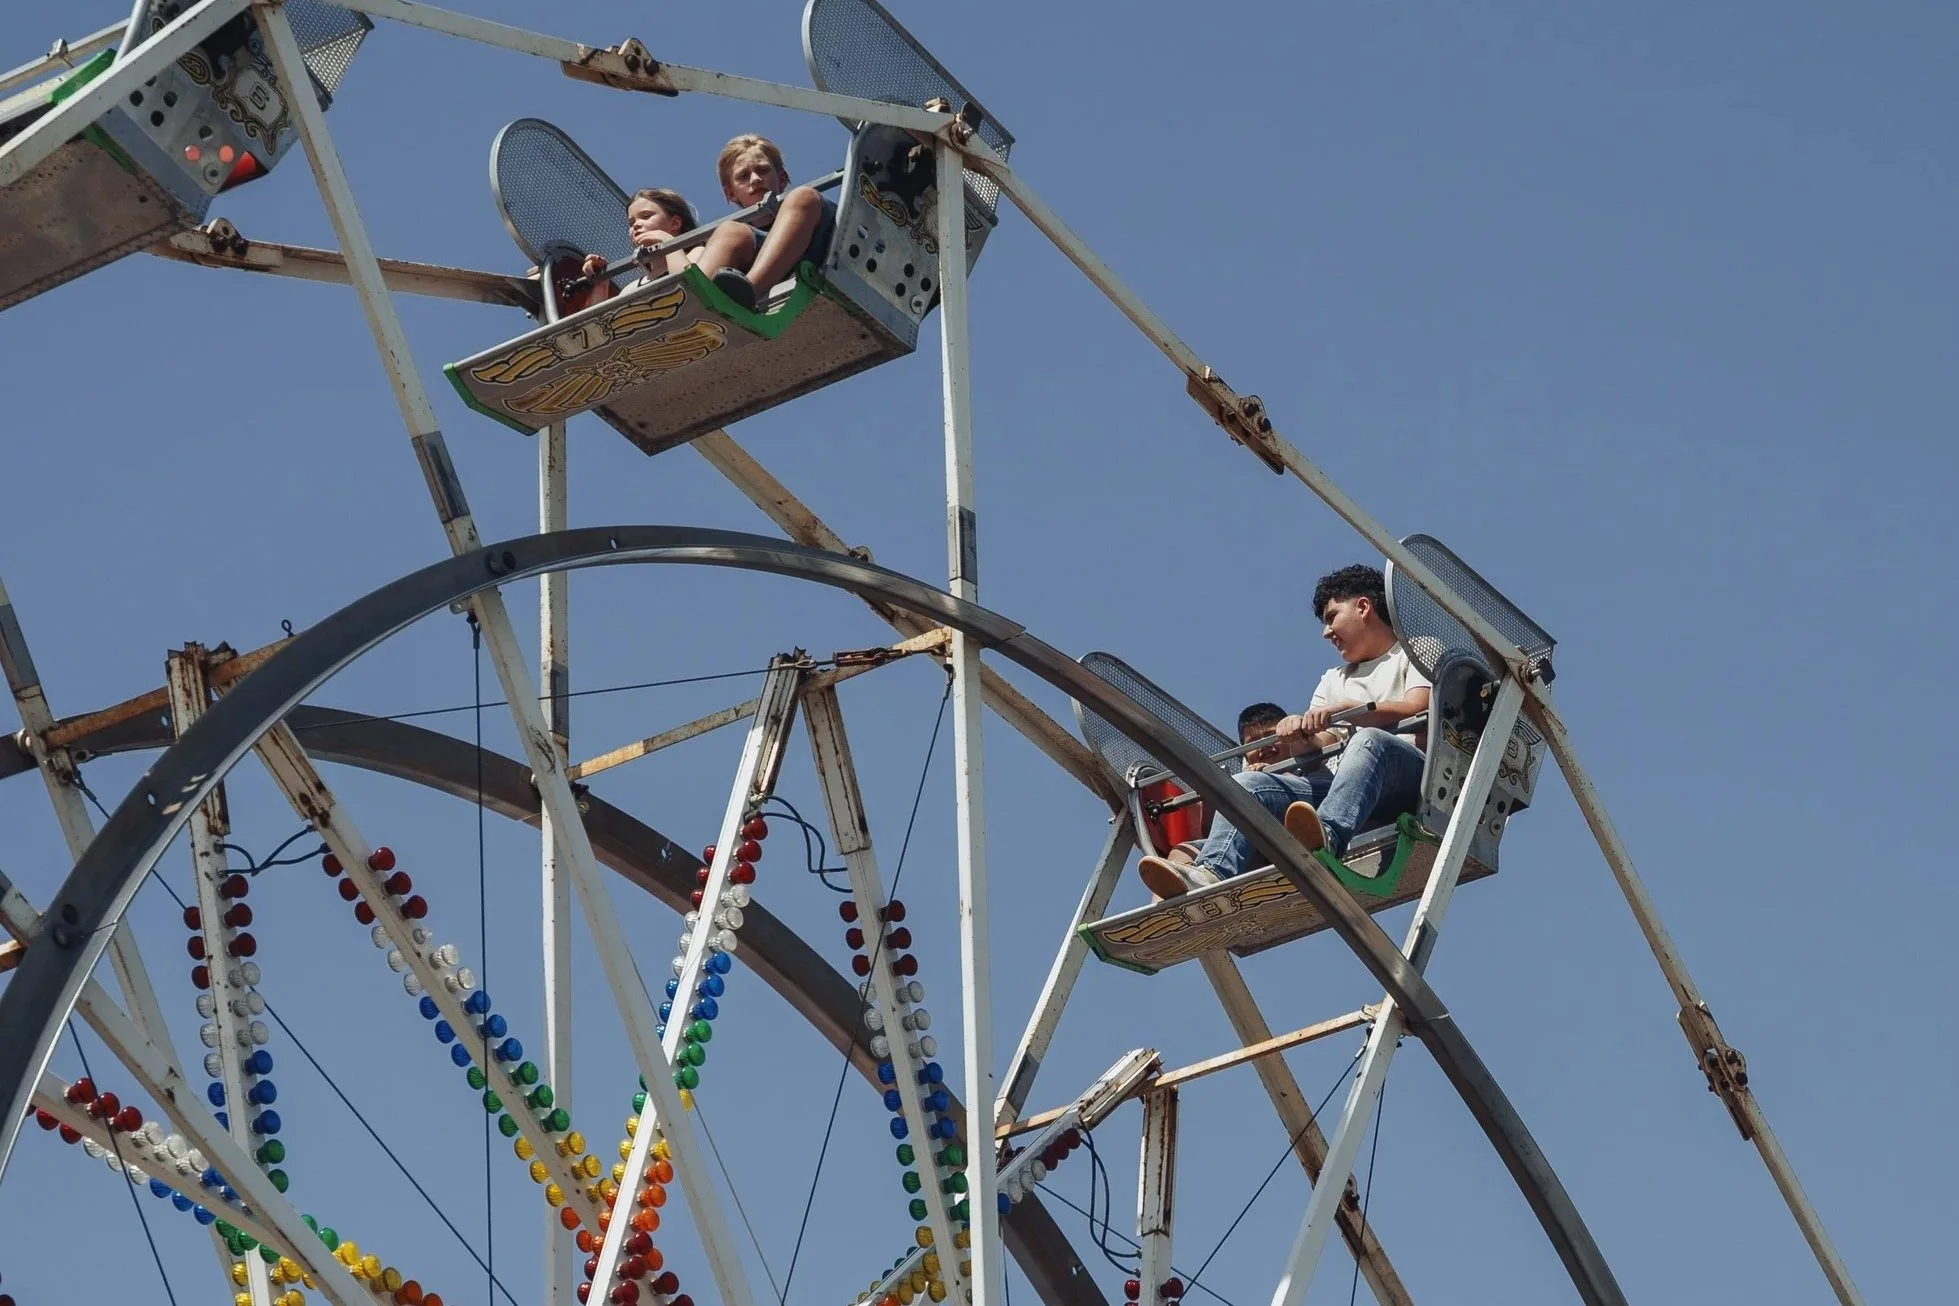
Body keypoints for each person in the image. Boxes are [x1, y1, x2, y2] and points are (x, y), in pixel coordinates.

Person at [1137, 565, 1431, 900]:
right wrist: (1302, 736)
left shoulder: (1415, 649)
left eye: (1332, 617)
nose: (1326, 632)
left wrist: (1350, 710)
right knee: (1248, 783)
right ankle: (1210, 873)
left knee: (1369, 741)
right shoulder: (1333, 680)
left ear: (1363, 607)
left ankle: (1329, 835)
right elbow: (1320, 751)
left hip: (1406, 781)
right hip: (1343, 790)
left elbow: (1417, 708)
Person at [692, 133, 837, 311]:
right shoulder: (735, 236)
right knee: (728, 232)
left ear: (782, 179)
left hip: (825, 263)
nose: (755, 179)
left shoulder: (809, 205)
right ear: (730, 193)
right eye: (744, 176)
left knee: (802, 196)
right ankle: (693, 311)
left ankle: (748, 292)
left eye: (763, 170)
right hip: (746, 250)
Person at [580, 187, 700, 303]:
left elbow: (687, 291)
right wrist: (601, 280)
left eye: (646, 216)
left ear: (675, 223)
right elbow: (600, 316)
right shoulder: (630, 289)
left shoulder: (698, 254)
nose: (636, 225)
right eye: (631, 223)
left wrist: (667, 240)